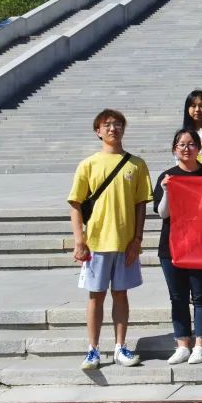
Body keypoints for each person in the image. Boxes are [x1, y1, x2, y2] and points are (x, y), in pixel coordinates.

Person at [67, 109, 152, 370]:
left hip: (125, 242)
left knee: (121, 294)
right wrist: (79, 240)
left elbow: (141, 205)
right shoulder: (88, 164)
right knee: (96, 296)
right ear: (98, 131)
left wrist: (137, 239)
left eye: (117, 124)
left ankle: (120, 346)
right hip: (96, 242)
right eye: (107, 125)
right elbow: (75, 203)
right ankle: (92, 349)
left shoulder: (136, 164)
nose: (113, 129)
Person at [153, 128, 202, 366]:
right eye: (181, 144)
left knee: (200, 296)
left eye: (191, 144)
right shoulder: (167, 176)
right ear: (174, 149)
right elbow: (163, 214)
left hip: (200, 245)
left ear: (199, 148)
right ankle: (182, 343)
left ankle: (201, 343)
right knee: (177, 297)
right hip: (171, 246)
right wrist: (167, 190)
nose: (186, 148)